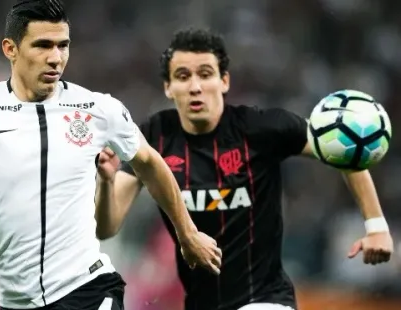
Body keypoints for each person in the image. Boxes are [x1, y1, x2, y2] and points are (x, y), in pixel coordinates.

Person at [0, 2, 223, 310]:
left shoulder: (98, 109)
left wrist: (187, 233)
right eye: (42, 45)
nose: (55, 57)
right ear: (10, 49)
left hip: (87, 288)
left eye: (62, 45)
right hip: (15, 301)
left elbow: (151, 164)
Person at [95, 28, 394, 310]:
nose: (195, 86)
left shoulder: (262, 127)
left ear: (224, 81)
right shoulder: (152, 138)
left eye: (206, 74)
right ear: (169, 87)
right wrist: (107, 182)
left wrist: (376, 226)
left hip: (266, 298)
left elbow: (340, 147)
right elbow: (106, 227)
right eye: (183, 76)